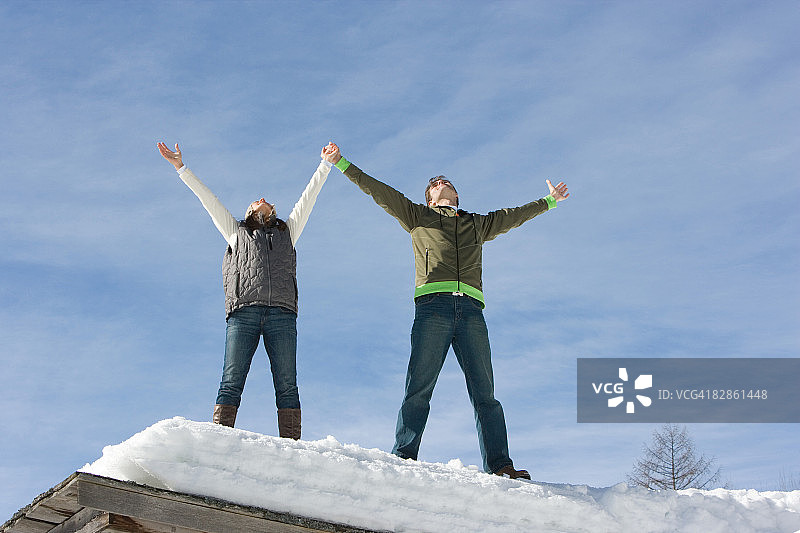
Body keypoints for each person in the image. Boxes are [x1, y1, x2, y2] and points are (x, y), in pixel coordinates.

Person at [322, 142, 569, 479]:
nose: (442, 183)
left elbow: (514, 216)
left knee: (486, 395)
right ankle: (404, 457)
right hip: (432, 308)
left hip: (471, 312)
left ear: (456, 195)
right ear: (429, 198)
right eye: (435, 183)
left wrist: (549, 201)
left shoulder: (476, 225)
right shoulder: (417, 216)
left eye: (446, 182)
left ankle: (501, 466)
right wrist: (341, 163)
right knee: (418, 388)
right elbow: (379, 191)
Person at [157, 141, 336, 439]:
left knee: (287, 383)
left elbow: (309, 197)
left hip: (282, 316)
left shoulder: (287, 232)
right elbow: (208, 199)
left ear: (274, 211)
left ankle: (291, 446)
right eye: (256, 201)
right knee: (231, 379)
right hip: (244, 314)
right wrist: (181, 167)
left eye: (266, 200)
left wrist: (325, 165)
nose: (262, 199)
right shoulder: (237, 232)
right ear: (250, 211)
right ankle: (219, 437)